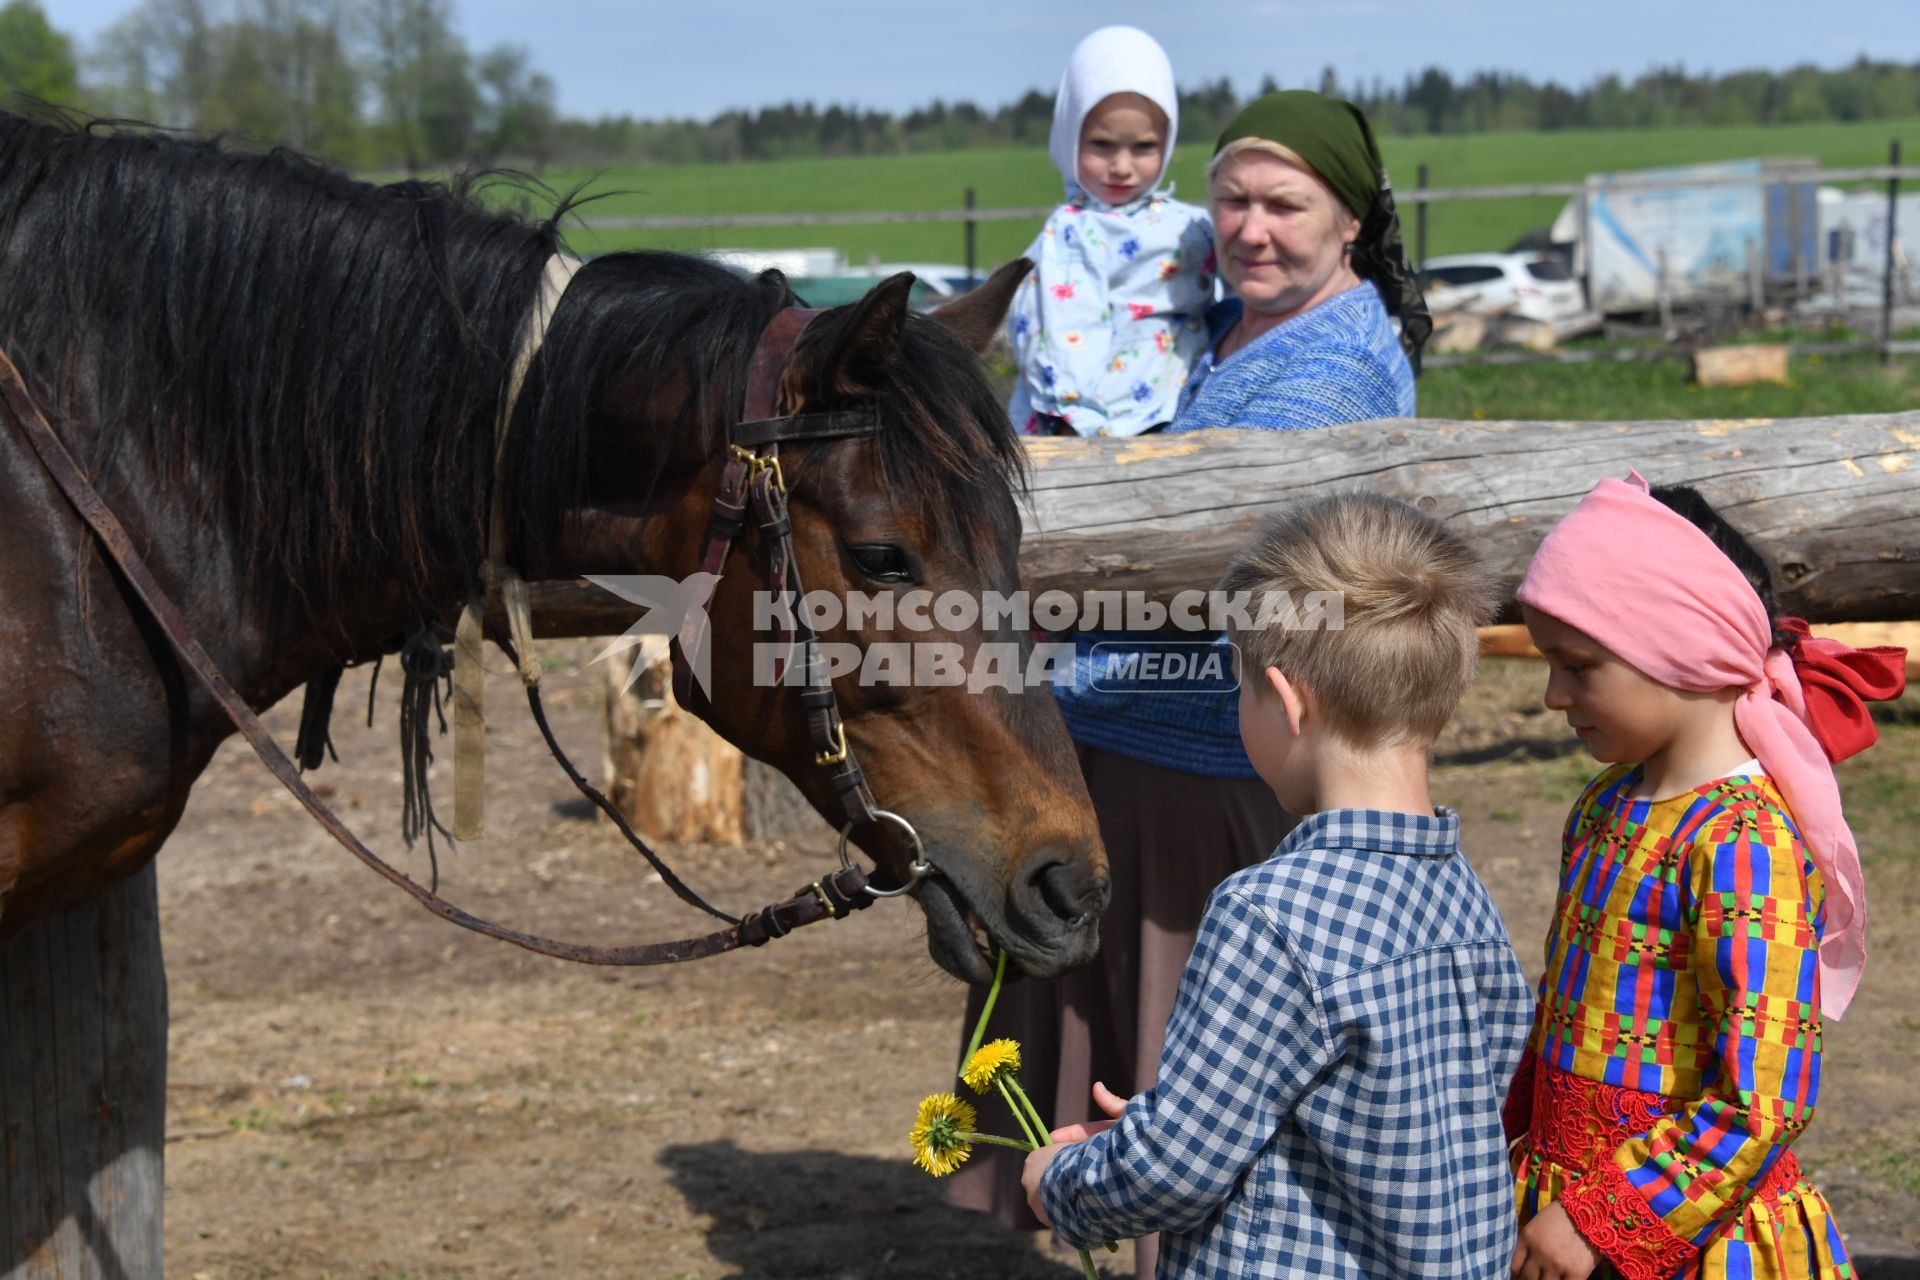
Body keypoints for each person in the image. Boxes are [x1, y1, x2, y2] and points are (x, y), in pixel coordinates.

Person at [950, 89, 1432, 1274]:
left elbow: (1218, 571)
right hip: (1121, 734)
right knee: (1117, 1058)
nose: (1252, 227)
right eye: (1232, 199)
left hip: (1207, 773)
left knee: (1185, 1085)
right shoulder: (1217, 320)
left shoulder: (1333, 372)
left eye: (1284, 203)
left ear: (1354, 222)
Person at [1021, 493, 1533, 1279]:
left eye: (1241, 688)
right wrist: (1166, 1125)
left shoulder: (1269, 913)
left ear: (1287, 699)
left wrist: (1064, 1184)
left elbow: (1175, 1174)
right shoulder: (1465, 899)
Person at [1505, 473, 1905, 1280]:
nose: (1553, 695)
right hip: (1562, 1203)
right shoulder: (1608, 805)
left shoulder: (1742, 845)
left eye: (1578, 665)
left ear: (1680, 650)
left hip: (1687, 1234)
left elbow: (1766, 1100)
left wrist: (1601, 1219)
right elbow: (1564, 1009)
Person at [1004, 25, 1214, 438]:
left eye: (1144, 148)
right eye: (1101, 145)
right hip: (1104, 427)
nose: (1121, 166)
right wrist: (1081, 424)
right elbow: (1069, 334)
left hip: (1176, 408)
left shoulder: (1185, 219)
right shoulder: (1073, 234)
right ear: (1069, 136)